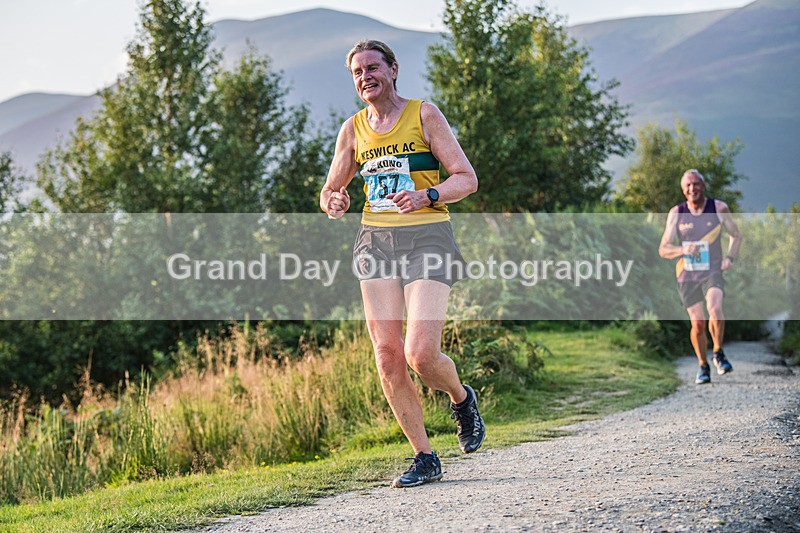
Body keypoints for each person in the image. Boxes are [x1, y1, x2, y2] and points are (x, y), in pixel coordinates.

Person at [320, 39, 483, 488]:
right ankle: (424, 457)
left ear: (393, 69)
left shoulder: (424, 114)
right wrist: (334, 199)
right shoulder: (353, 130)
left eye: (373, 67)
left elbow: (466, 179)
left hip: (428, 236)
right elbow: (329, 192)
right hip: (375, 243)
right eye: (357, 72)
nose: (365, 76)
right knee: (388, 355)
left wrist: (426, 194)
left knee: (420, 353)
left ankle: (461, 397)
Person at [659, 169, 742, 384]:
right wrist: (683, 250)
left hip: (713, 269)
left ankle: (718, 351)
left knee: (715, 308)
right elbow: (664, 249)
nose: (692, 189)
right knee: (697, 324)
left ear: (702, 186)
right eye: (687, 185)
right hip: (686, 275)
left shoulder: (718, 208)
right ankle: (703, 365)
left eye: (695, 184)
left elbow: (736, 235)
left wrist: (730, 259)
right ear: (682, 189)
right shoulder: (676, 213)